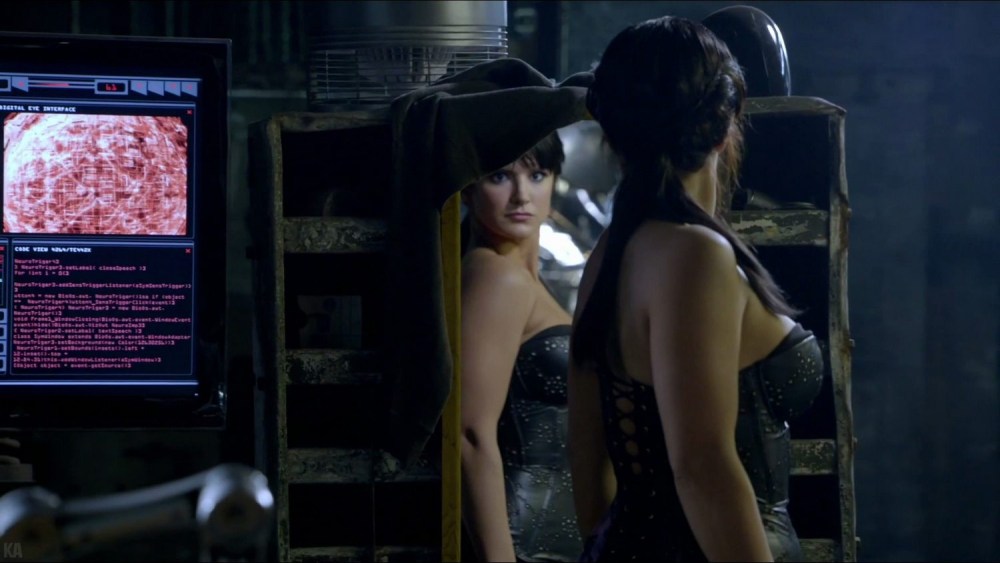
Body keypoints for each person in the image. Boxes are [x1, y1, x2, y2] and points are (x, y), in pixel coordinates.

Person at [567, 15, 825, 562]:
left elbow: (588, 465)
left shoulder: (611, 252)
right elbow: (702, 466)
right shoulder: (694, 255)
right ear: (726, 121)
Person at [460, 131, 583, 562]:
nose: (521, 196)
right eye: (500, 177)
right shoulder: (496, 275)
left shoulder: (522, 277)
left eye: (537, 175)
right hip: (523, 542)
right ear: (469, 188)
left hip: (557, 539)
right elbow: (469, 435)